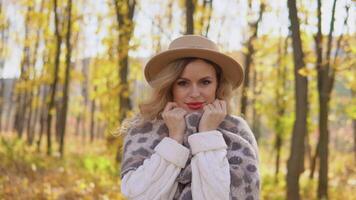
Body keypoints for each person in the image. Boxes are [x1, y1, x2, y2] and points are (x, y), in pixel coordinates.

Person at [120, 35, 260, 200]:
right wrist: (174, 140)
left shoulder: (237, 130)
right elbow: (139, 196)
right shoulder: (143, 128)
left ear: (218, 85)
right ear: (170, 86)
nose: (194, 93)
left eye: (205, 82)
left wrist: (207, 135)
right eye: (183, 83)